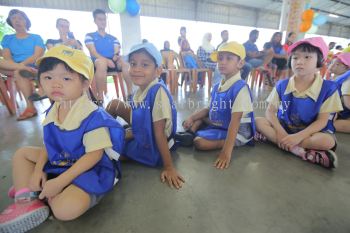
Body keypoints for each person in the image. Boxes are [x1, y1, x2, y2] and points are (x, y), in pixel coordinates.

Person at [0, 45, 125, 232]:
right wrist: (38, 171)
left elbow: (94, 156)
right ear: (40, 81)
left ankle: (36, 191)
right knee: (22, 154)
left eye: (66, 78)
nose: (55, 84)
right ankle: (26, 199)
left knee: (64, 211)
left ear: (84, 83)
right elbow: (48, 146)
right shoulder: (54, 109)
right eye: (48, 77)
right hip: (62, 161)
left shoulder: (92, 116)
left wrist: (59, 182)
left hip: (90, 169)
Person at [255, 37, 343, 169]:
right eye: (295, 58)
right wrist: (281, 132)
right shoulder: (282, 85)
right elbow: (270, 112)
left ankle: (272, 140)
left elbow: (322, 121)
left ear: (319, 63)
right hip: (284, 128)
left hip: (309, 133)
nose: (299, 62)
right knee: (258, 120)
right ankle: (301, 152)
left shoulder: (328, 89)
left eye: (307, 57)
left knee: (327, 141)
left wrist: (297, 137)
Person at [106, 42, 184, 189]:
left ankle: (108, 140)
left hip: (153, 145)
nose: (136, 69)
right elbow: (142, 118)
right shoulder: (141, 89)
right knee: (114, 105)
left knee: (110, 152)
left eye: (145, 65)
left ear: (158, 70)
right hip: (145, 132)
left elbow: (159, 133)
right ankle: (102, 134)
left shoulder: (157, 91)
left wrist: (169, 167)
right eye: (133, 64)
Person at [177, 41, 255, 169]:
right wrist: (191, 118)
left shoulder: (241, 88)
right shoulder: (217, 86)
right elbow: (209, 109)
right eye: (220, 58)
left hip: (237, 131)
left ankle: (199, 136)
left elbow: (235, 121)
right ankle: (191, 132)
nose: (222, 62)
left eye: (229, 58)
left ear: (240, 63)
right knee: (198, 112)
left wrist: (226, 153)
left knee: (200, 143)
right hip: (221, 122)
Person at [1, 9, 45, 120]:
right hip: (13, 66)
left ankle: (30, 108)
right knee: (16, 69)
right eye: (14, 18)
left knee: (18, 71)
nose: (17, 21)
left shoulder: (36, 37)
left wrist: (22, 65)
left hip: (32, 65)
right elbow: (7, 57)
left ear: (26, 21)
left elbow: (37, 55)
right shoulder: (7, 39)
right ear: (11, 22)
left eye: (20, 18)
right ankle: (23, 70)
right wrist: (19, 66)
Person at [85, 9, 125, 103]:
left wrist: (116, 55)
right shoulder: (89, 36)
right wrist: (107, 60)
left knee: (125, 61)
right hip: (97, 61)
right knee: (101, 62)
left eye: (104, 19)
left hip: (112, 61)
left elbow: (117, 51)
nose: (103, 21)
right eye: (100, 19)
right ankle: (100, 98)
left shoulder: (113, 38)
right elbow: (93, 52)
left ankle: (129, 94)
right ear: (95, 21)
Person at [329, 53, 350, 133]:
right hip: (335, 111)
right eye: (331, 63)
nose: (331, 65)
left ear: (347, 68)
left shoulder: (347, 79)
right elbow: (348, 103)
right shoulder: (346, 78)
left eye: (337, 64)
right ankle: (325, 124)